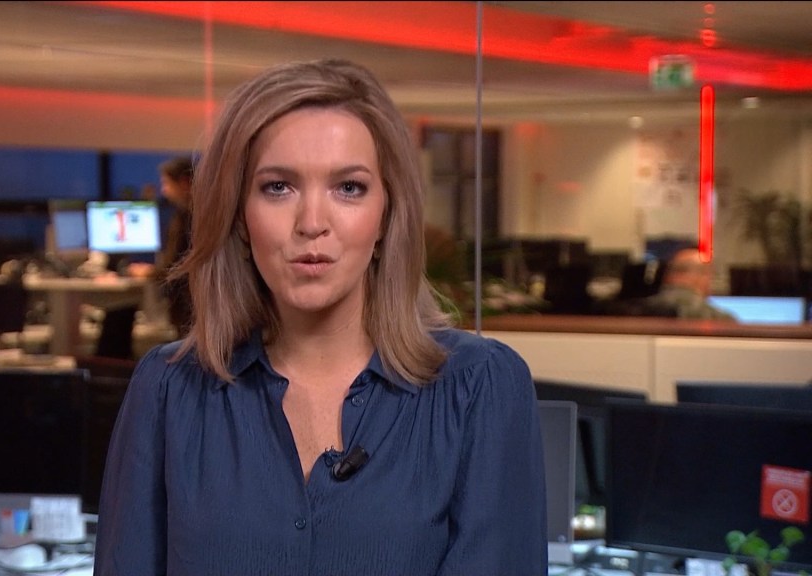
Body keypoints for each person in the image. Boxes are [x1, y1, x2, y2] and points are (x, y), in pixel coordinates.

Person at [94, 58, 547, 575]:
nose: (312, 223)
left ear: (386, 216)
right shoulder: (170, 387)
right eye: (278, 187)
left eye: (348, 187)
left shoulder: (479, 385)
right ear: (239, 218)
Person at [154, 155, 195, 338]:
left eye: (166, 183)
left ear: (184, 183)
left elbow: (175, 261)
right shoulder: (204, 211)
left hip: (188, 302)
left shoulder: (188, 217)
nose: (164, 190)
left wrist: (149, 273)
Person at [646, 247, 737, 320]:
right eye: (709, 274)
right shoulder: (721, 320)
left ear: (667, 275)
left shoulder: (641, 310)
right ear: (703, 276)